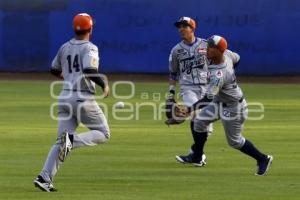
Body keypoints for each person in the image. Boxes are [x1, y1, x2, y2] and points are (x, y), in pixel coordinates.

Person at [33, 13, 110, 192]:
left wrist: (68, 76)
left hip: (65, 96)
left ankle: (44, 177)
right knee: (103, 133)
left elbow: (53, 69)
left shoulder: (65, 47)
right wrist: (104, 83)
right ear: (90, 29)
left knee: (60, 141)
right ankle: (73, 140)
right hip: (82, 97)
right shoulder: (90, 47)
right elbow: (90, 69)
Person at [186, 35, 273, 175]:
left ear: (218, 50)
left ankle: (263, 158)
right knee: (199, 122)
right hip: (220, 102)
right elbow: (237, 58)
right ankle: (197, 157)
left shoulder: (219, 74)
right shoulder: (227, 53)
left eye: (210, 47)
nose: (206, 49)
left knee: (235, 141)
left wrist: (188, 109)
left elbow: (207, 99)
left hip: (233, 108)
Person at [168, 16, 212, 166]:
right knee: (195, 115)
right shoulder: (176, 50)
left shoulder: (206, 45)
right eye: (179, 26)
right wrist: (171, 93)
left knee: (207, 128)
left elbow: (220, 61)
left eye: (184, 26)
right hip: (188, 89)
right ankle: (198, 156)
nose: (181, 29)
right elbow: (173, 73)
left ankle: (196, 154)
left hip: (207, 88)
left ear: (192, 28)